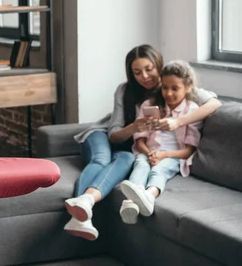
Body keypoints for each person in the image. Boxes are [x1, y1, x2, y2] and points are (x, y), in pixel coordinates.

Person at [63, 45, 221, 241]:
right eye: (137, 72)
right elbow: (114, 135)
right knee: (101, 161)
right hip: (103, 134)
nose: (144, 76)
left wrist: (178, 122)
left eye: (149, 69)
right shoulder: (125, 90)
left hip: (130, 149)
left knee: (129, 160)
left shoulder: (172, 85)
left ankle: (86, 205)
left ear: (159, 66)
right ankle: (80, 214)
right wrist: (134, 127)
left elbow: (214, 102)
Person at [118, 61, 202, 224]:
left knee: (159, 170)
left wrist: (163, 155)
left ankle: (148, 197)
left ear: (188, 87)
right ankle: (131, 202)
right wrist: (149, 153)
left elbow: (189, 150)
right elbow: (140, 140)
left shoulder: (191, 111)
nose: (168, 93)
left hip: (174, 156)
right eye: (165, 87)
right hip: (147, 152)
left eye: (175, 89)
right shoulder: (149, 105)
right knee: (141, 165)